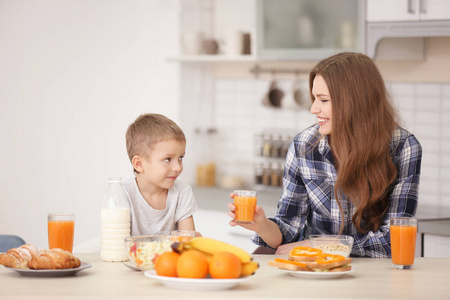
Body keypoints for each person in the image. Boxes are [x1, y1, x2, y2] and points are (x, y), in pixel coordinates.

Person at [228, 52, 422, 258]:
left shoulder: (403, 148)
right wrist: (263, 226)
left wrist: (319, 245)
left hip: (375, 276)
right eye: (314, 99)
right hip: (314, 270)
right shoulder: (303, 145)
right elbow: (289, 229)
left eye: (323, 100)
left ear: (355, 102)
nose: (313, 109)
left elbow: (391, 242)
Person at [123, 113, 199, 236]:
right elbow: (118, 248)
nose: (178, 167)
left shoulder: (182, 192)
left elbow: (187, 244)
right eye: (168, 159)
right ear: (139, 164)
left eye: (180, 157)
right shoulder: (123, 194)